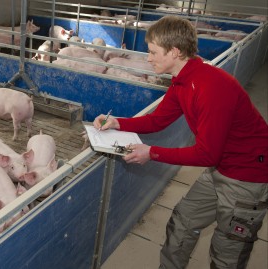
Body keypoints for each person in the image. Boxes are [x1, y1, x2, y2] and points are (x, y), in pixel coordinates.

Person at [93, 15, 268, 269]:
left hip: (247, 176)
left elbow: (207, 154)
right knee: (183, 221)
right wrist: (118, 123)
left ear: (174, 52)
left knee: (227, 249)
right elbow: (157, 121)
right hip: (221, 166)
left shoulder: (211, 87)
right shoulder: (183, 80)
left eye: (153, 52)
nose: (148, 57)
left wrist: (151, 153)